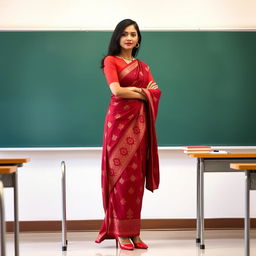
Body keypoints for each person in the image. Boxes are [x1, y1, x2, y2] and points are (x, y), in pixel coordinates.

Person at [95, 19, 161, 250]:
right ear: (117, 37)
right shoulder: (110, 61)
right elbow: (116, 90)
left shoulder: (144, 66)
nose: (129, 38)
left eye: (133, 34)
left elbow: (156, 90)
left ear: (138, 39)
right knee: (120, 179)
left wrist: (135, 91)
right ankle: (121, 234)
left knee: (135, 178)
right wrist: (143, 92)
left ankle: (135, 233)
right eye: (124, 34)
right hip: (118, 126)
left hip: (139, 127)